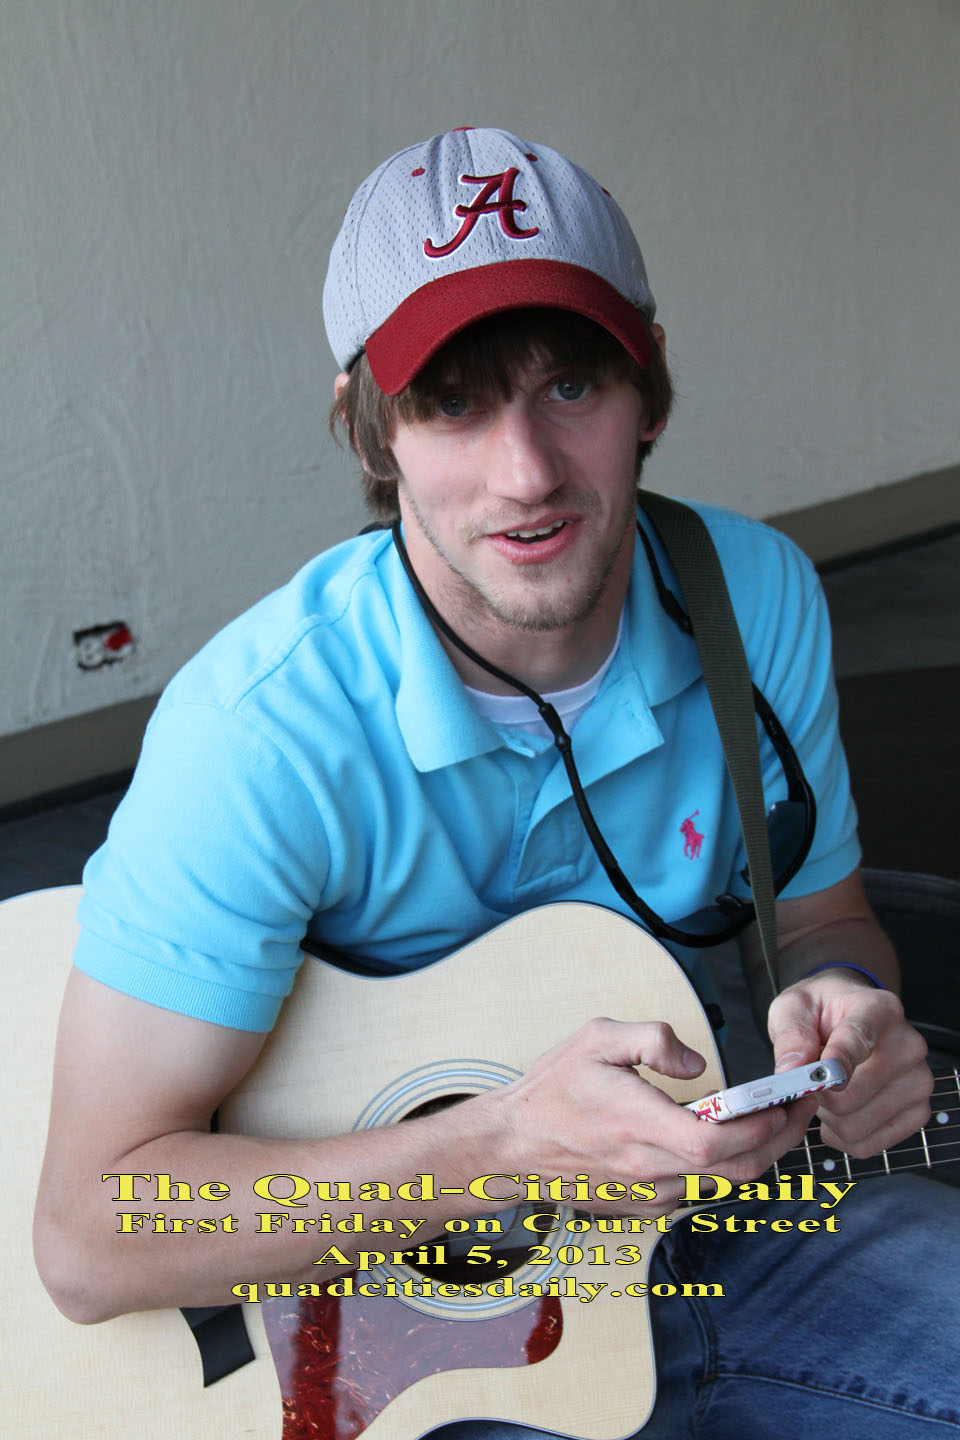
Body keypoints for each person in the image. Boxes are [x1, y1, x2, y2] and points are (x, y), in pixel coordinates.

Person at [34, 127, 956, 1437]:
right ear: (369, 427)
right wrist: (505, 1148)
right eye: (454, 404)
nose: (528, 473)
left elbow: (822, 920)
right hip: (366, 1343)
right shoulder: (260, 733)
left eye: (571, 386)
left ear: (648, 385)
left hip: (709, 1228)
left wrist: (849, 1002)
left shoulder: (755, 600)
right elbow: (91, 1235)